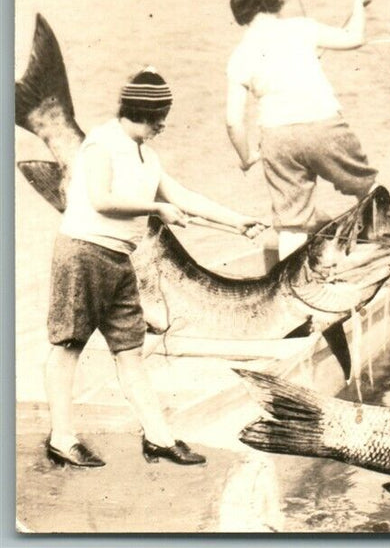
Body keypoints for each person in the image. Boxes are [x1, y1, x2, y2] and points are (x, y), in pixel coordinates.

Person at [46, 69, 266, 468]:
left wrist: (235, 220)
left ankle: (159, 438)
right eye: (158, 116)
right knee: (68, 346)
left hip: (118, 259)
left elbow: (181, 195)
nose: (163, 124)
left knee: (130, 350)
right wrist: (155, 209)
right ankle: (62, 438)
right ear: (141, 111)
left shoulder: (146, 152)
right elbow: (101, 200)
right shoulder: (102, 143)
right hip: (82, 253)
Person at [226, 0, 378, 262]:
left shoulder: (239, 55)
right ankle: (378, 257)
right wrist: (359, 5)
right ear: (272, 1)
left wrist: (246, 157)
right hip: (323, 124)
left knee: (292, 224)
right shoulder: (301, 28)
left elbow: (234, 122)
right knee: (368, 188)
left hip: (276, 137)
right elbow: (355, 38)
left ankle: (293, 292)